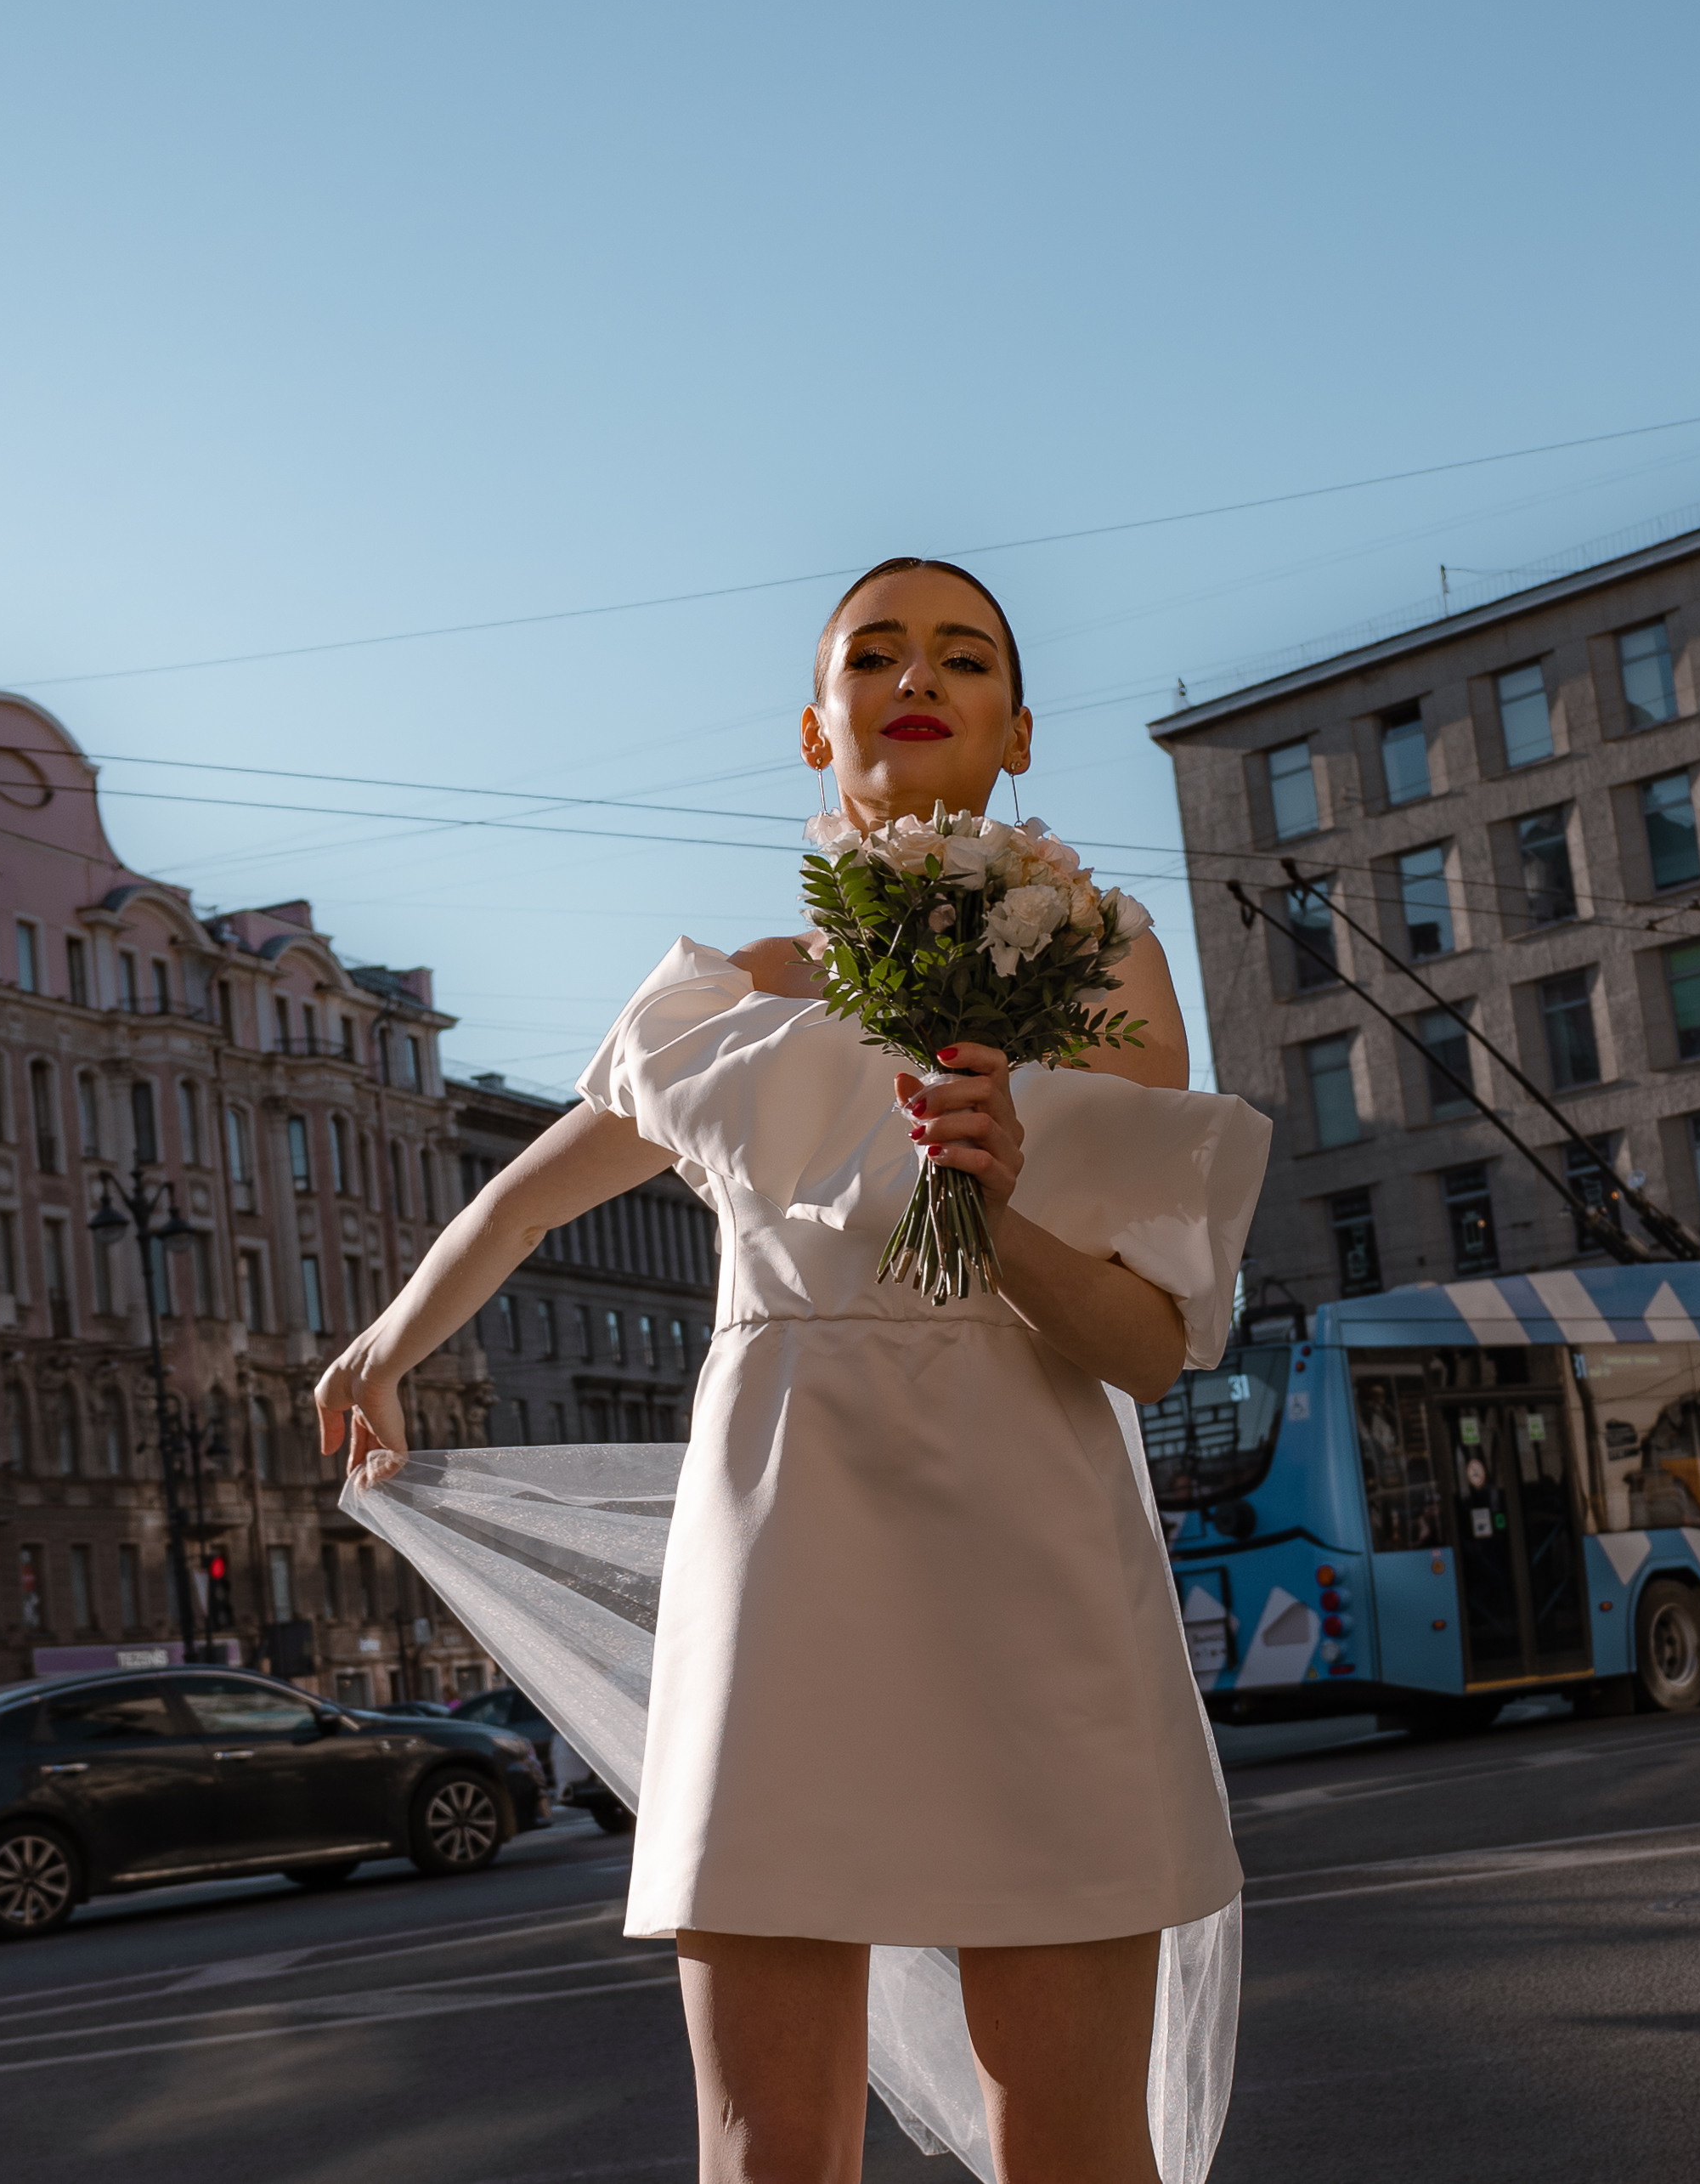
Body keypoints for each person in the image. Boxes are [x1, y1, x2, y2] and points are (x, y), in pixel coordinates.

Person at [317, 556, 1268, 2184]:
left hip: (1033, 1561)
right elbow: (523, 1198)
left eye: (963, 656)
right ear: (818, 727)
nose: (919, 676)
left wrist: (997, 1213)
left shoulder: (1106, 966)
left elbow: (1148, 1347)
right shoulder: (735, 999)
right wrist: (387, 1341)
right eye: (875, 654)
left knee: (1071, 2140)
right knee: (768, 2146)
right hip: (782, 1568)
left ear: (1018, 729)